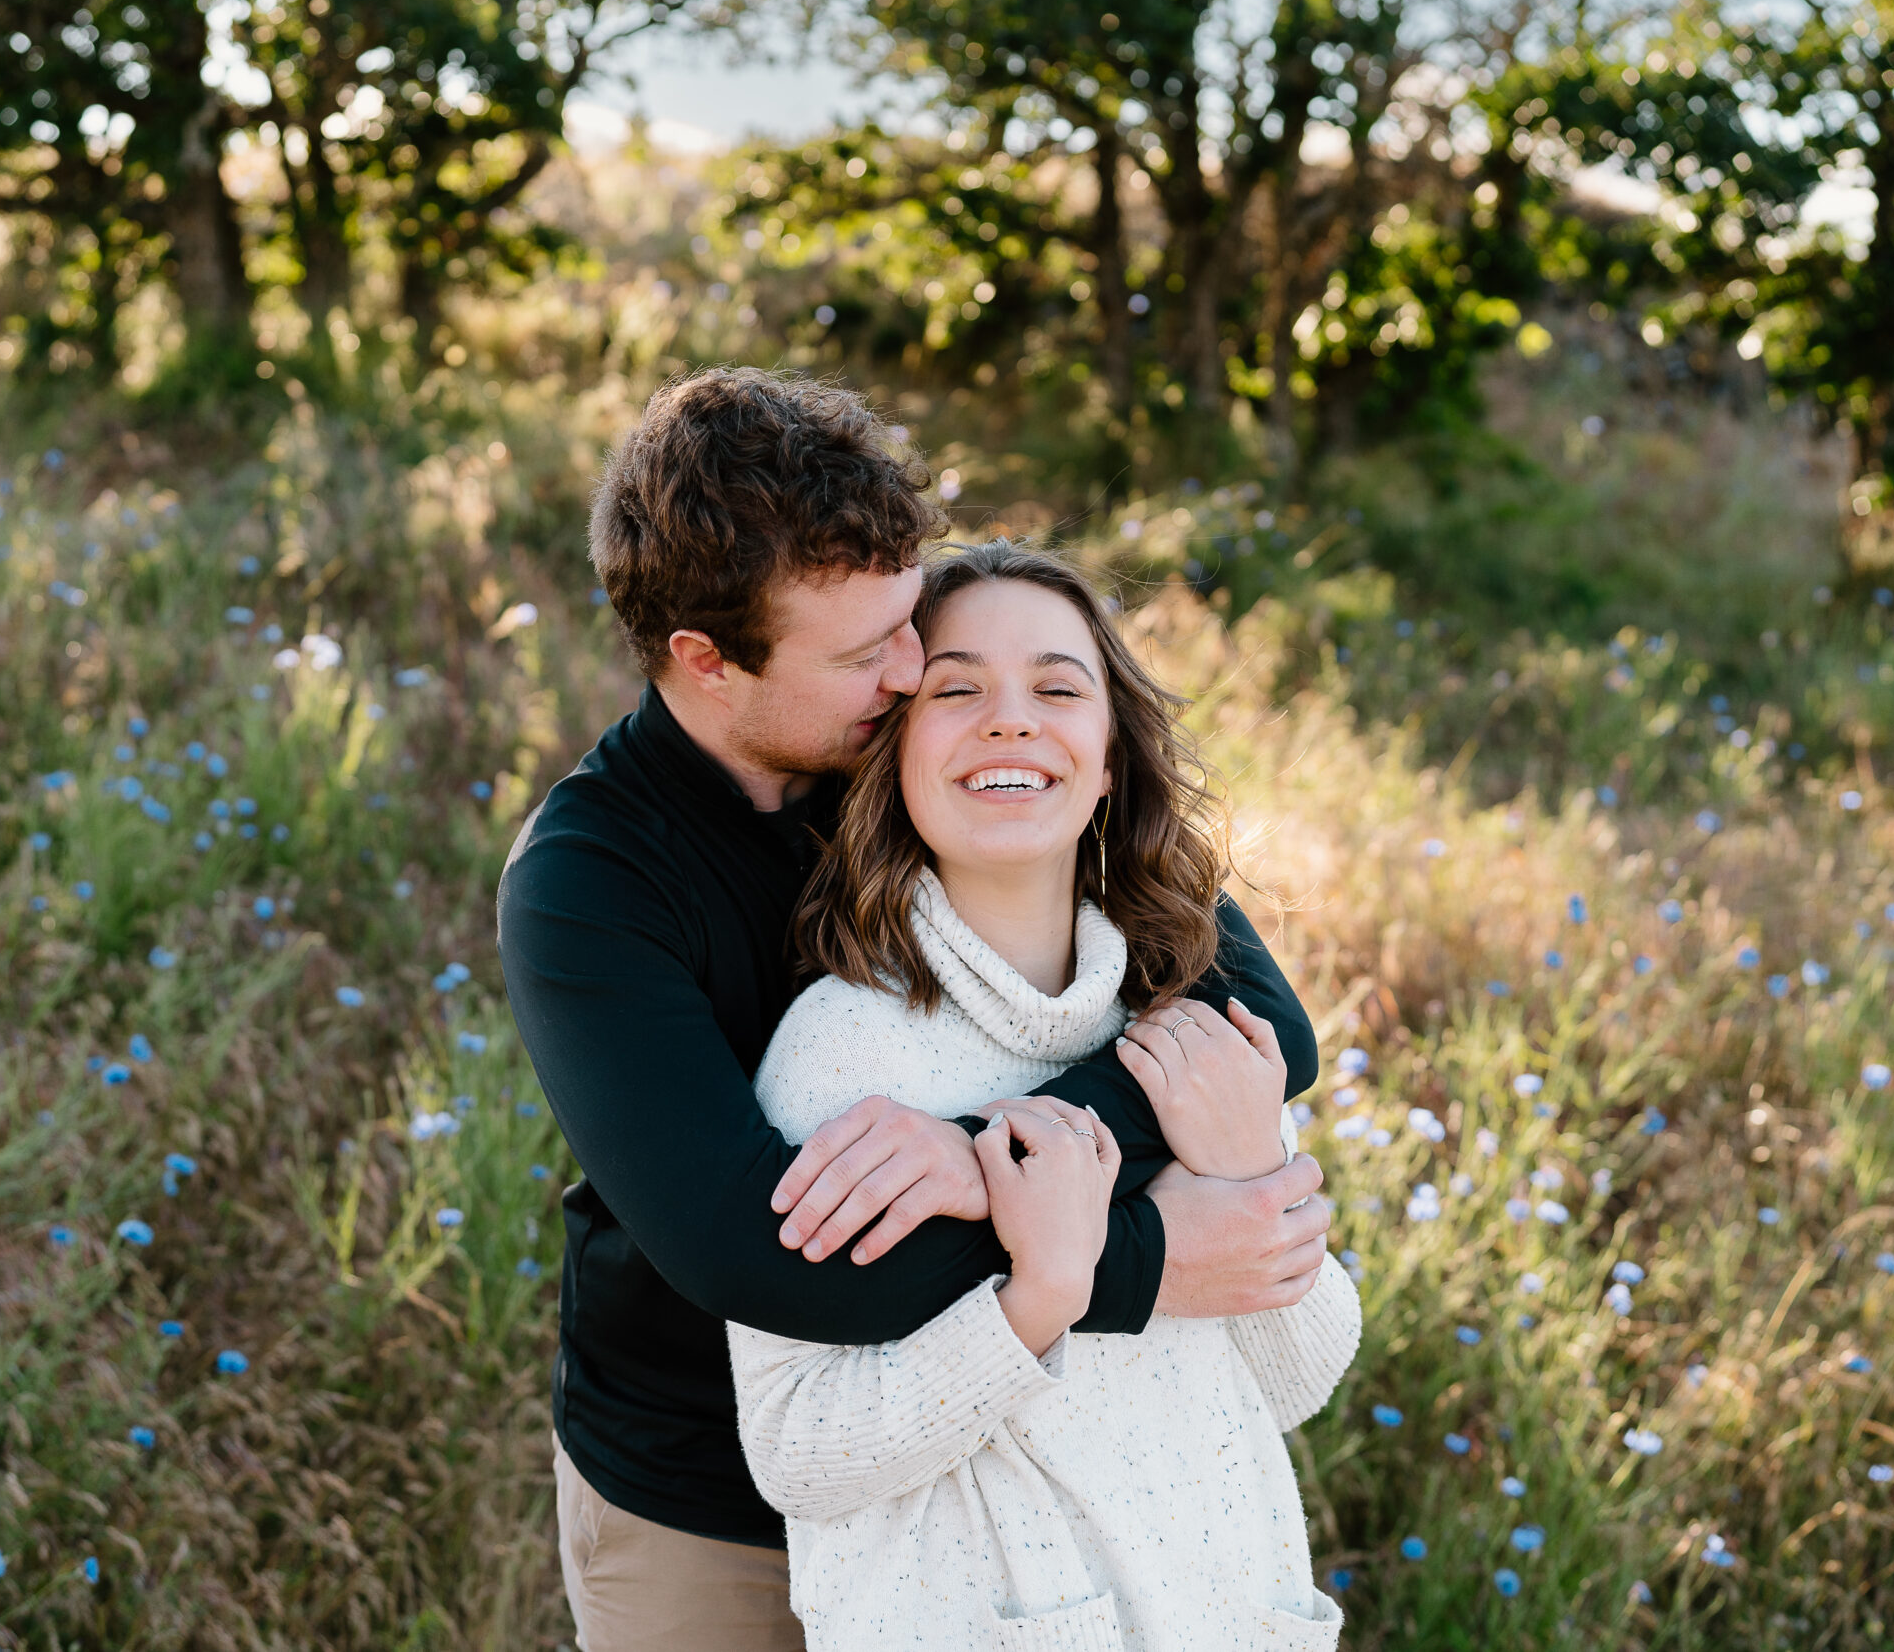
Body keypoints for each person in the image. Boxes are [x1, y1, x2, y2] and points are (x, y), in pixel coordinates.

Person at [497, 367, 1333, 1652]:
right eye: (862, 652)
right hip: (708, 1492)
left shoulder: (929, 745)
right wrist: (1137, 1257)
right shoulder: (589, 885)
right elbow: (761, 1258)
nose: (909, 669)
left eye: (907, 626)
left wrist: (983, 1149)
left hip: (1004, 1459)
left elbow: (1260, 1028)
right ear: (706, 661)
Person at [729, 539, 1358, 1651]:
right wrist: (1040, 1297)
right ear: (893, 751)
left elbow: (1299, 1378)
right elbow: (798, 1452)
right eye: (957, 688)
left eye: (1058, 689)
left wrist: (1248, 1161)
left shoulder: (1190, 1029)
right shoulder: (844, 1063)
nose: (1011, 720)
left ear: (1110, 759)